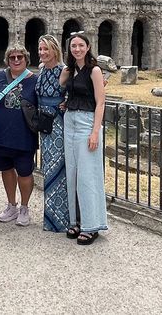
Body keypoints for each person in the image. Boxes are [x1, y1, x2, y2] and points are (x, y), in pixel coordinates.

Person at [0, 44, 38, 227]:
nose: (16, 60)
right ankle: (11, 205)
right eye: (12, 57)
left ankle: (25, 207)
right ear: (7, 60)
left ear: (26, 59)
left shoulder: (34, 80)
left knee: (25, 172)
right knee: (6, 170)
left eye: (20, 57)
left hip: (24, 135)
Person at [59, 33, 108, 245]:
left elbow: (100, 103)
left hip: (87, 121)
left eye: (80, 45)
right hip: (70, 120)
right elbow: (63, 84)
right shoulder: (70, 70)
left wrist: (95, 132)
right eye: (73, 46)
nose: (77, 49)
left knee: (88, 175)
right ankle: (76, 220)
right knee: (73, 174)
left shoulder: (95, 70)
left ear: (88, 47)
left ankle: (92, 224)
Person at [35, 34, 69, 232]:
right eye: (40, 49)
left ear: (55, 50)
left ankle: (62, 220)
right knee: (48, 170)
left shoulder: (63, 71)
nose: (42, 53)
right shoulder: (41, 70)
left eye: (46, 49)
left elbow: (73, 92)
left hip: (58, 125)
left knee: (60, 172)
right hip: (45, 127)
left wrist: (65, 103)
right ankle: (50, 218)